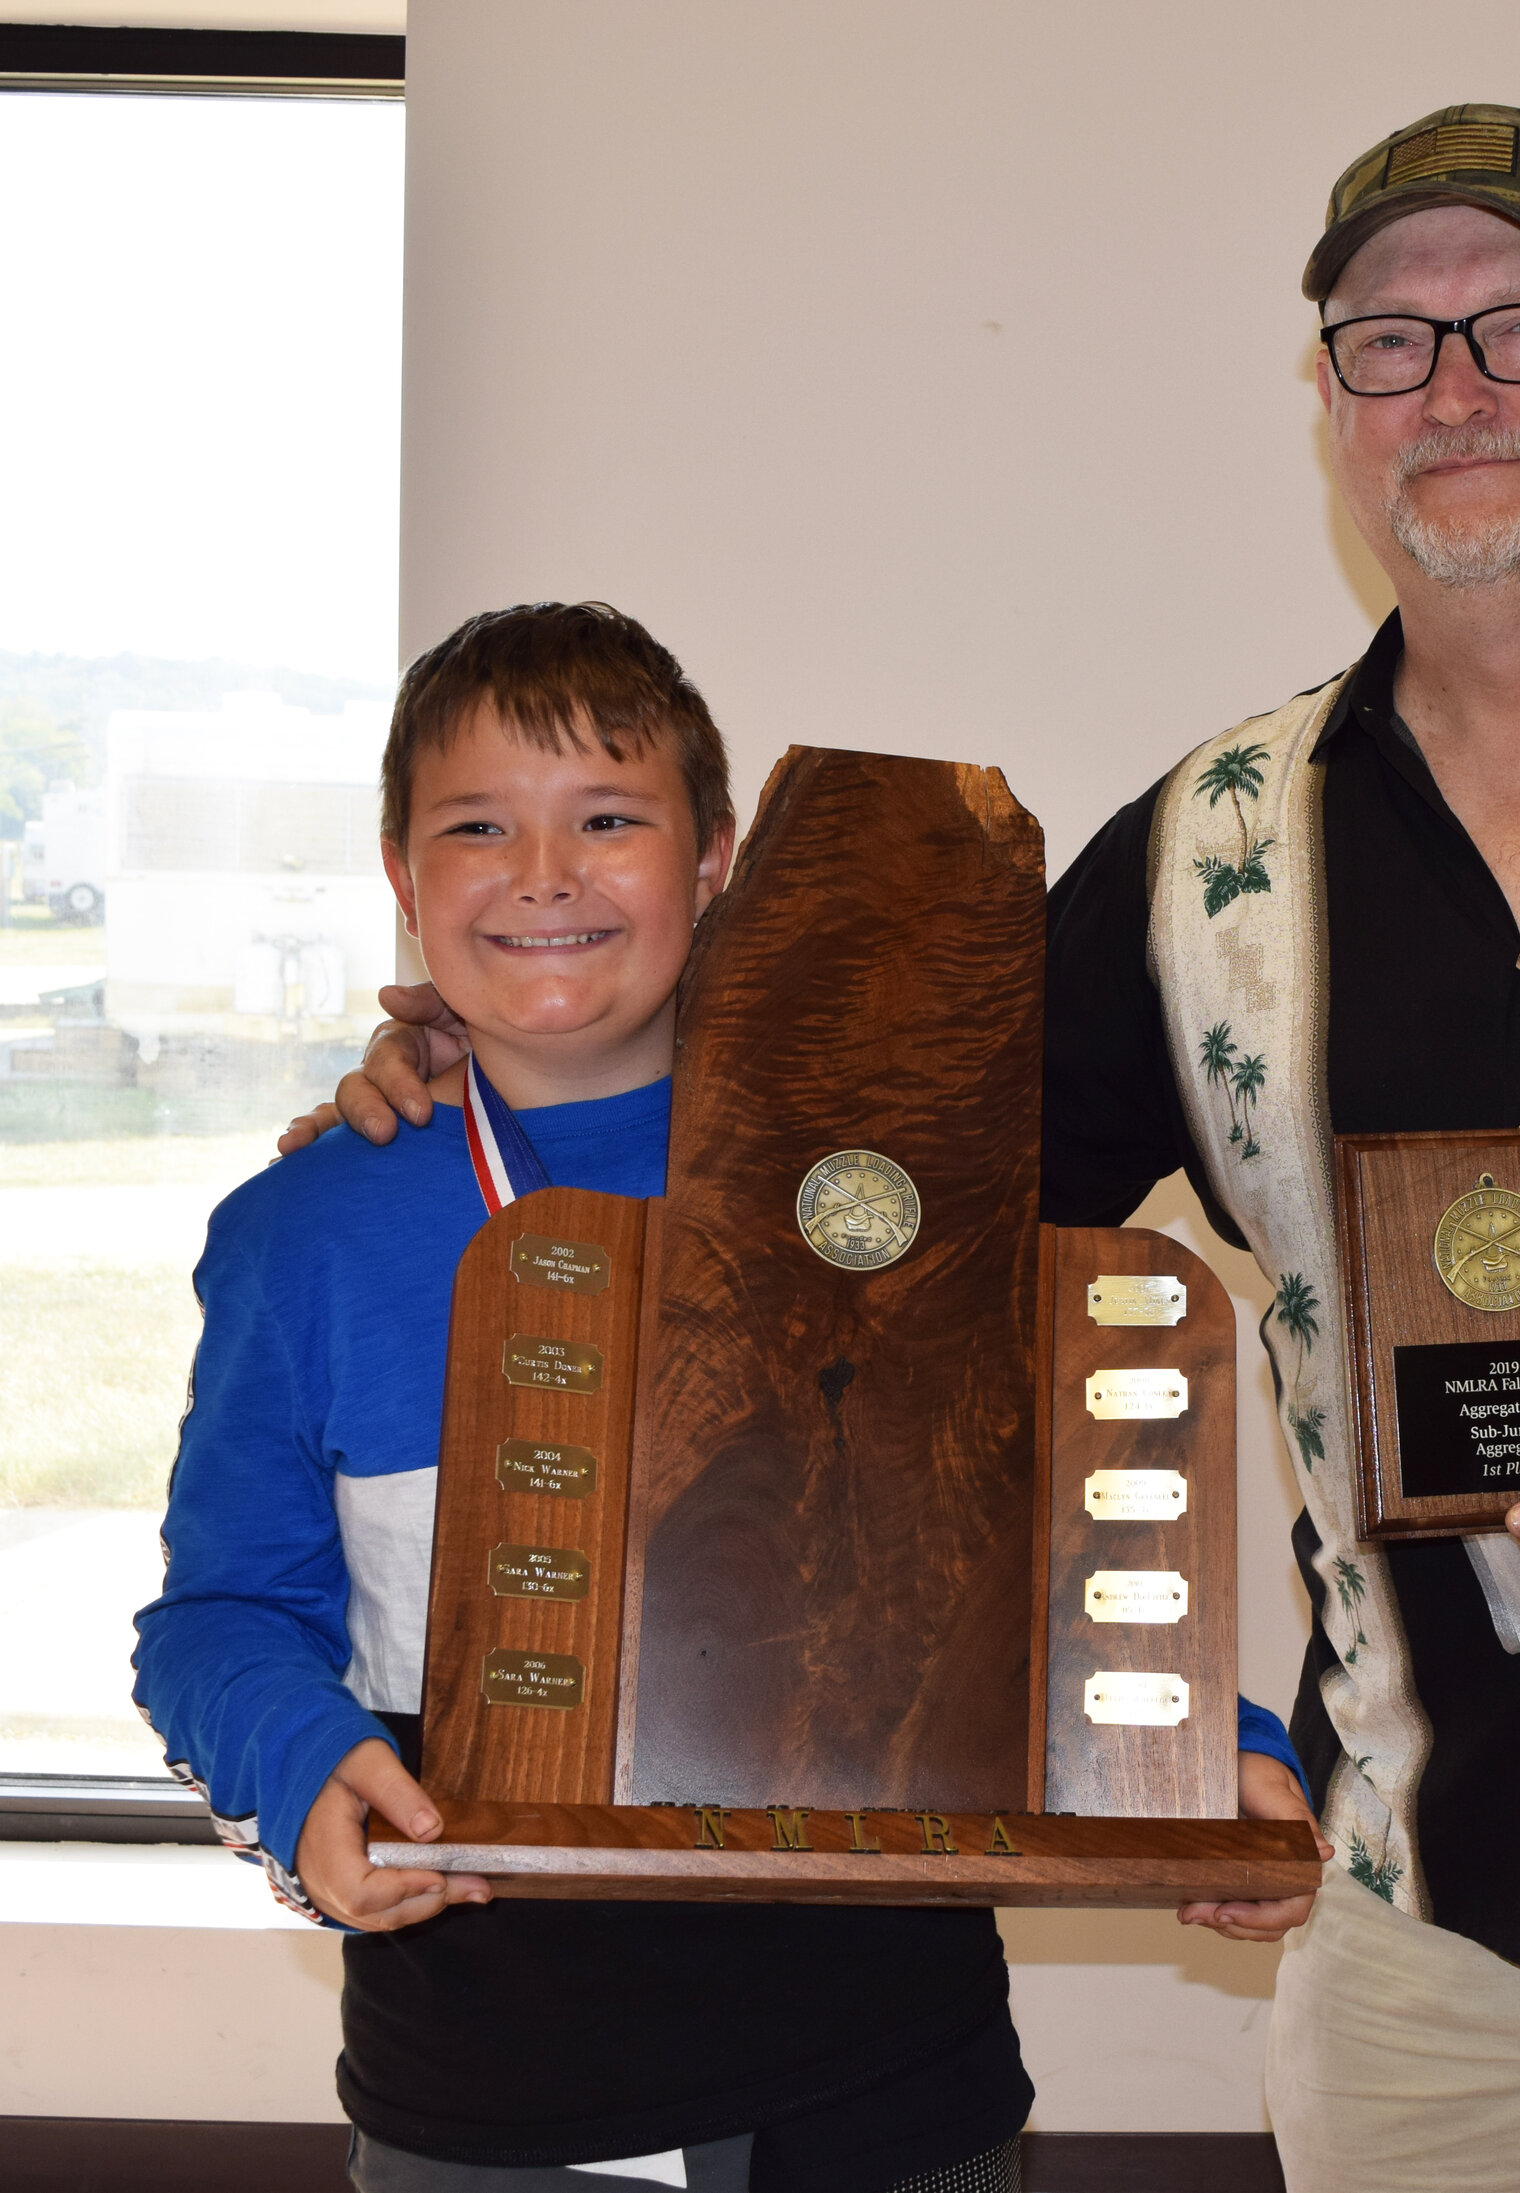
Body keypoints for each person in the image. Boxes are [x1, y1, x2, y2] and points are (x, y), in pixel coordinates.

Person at [302, 104, 1520, 2193]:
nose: (1456, 388)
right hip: (1392, 1889)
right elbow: (879, 1222)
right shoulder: (1204, 848)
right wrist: (495, 1043)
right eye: (1388, 341)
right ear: (1326, 404)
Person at [141, 605, 1038, 2193]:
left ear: (717, 860)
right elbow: (217, 1611)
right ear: (404, 880)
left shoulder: (887, 1183)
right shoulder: (303, 1235)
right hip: (486, 2089)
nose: (544, 873)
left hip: (888, 2072)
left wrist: (1206, 1740)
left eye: (609, 820)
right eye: (477, 827)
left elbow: (1029, 1544)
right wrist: (294, 1754)